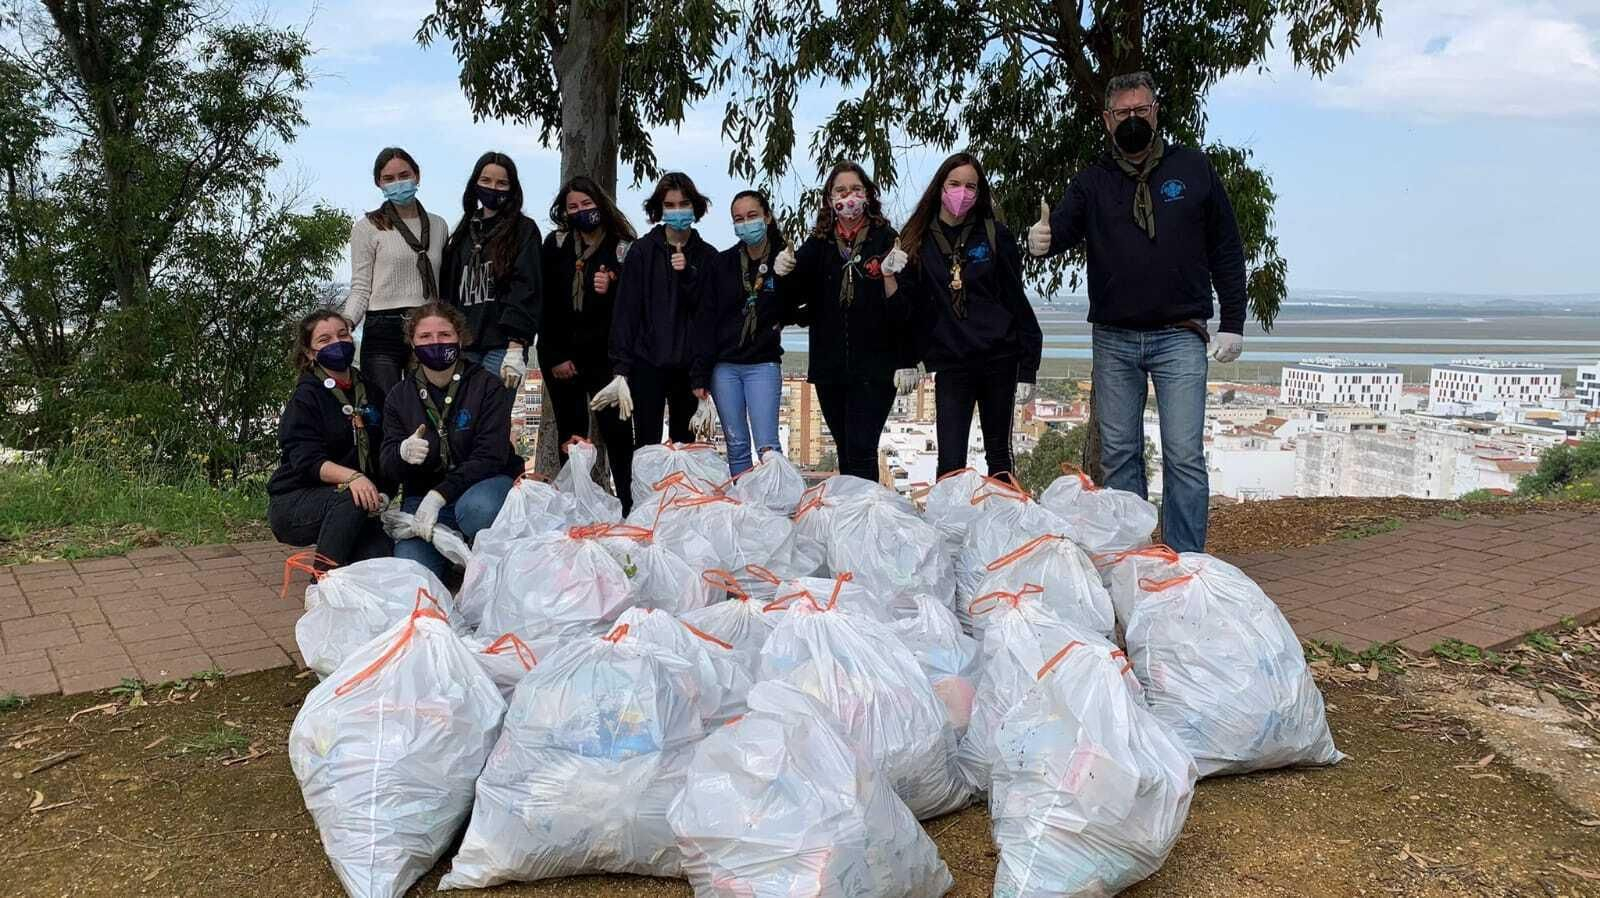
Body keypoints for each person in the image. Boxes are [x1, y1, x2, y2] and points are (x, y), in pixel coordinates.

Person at [1027, 71, 1247, 553]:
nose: (1132, 119)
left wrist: (1233, 322)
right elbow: (1060, 229)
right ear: (1107, 120)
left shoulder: (1194, 169)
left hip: (1181, 335)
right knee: (1121, 455)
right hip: (1115, 338)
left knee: (1184, 455)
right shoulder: (1091, 182)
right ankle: (1132, 557)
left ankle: (1186, 562)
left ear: (1156, 111)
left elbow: (1227, 248)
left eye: (1140, 110)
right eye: (1122, 112)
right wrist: (1041, 240)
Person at [899, 151, 1042, 478]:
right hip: (952, 364)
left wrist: (1027, 369)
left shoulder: (994, 235)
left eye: (970, 187)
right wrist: (905, 357)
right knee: (950, 461)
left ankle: (1002, 523)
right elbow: (909, 311)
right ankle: (948, 528)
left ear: (979, 194)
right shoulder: (918, 240)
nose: (961, 193)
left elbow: (1016, 303)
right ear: (940, 187)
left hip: (999, 360)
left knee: (1000, 459)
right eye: (954, 184)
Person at [774, 161, 916, 483]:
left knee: (863, 448)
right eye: (841, 191)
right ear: (829, 200)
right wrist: (782, 274)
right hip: (830, 370)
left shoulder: (887, 241)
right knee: (845, 450)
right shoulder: (818, 245)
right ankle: (853, 518)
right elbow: (790, 306)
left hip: (876, 368)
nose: (848, 197)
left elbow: (906, 310)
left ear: (867, 195)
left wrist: (907, 359)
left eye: (855, 189)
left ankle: (865, 519)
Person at [380, 302, 522, 578]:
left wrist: (440, 494)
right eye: (425, 337)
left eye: (444, 335)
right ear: (412, 342)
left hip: (481, 490)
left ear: (460, 337)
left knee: (478, 510)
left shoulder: (487, 386)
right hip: (422, 501)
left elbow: (491, 456)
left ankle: (485, 554)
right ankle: (449, 555)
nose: (436, 342)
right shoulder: (399, 396)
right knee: (414, 572)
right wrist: (401, 452)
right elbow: (387, 460)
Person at [595, 171, 718, 453]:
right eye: (670, 205)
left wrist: (700, 375)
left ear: (695, 207)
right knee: (647, 446)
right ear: (659, 209)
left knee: (684, 448)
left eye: (684, 204)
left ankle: (679, 498)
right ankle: (645, 498)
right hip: (647, 364)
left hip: (688, 368)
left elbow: (707, 317)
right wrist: (621, 369)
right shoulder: (641, 252)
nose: (678, 211)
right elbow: (626, 312)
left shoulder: (708, 257)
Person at [267, 310, 394, 568]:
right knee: (349, 497)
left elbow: (384, 449)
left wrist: (384, 493)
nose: (337, 343)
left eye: (343, 334)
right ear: (310, 353)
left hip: (359, 503)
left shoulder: (370, 390)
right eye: (324, 340)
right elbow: (306, 460)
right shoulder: (306, 397)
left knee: (381, 560)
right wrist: (354, 478)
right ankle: (321, 581)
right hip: (297, 501)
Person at [538, 176, 638, 503]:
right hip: (563, 353)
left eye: (587, 204)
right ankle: (576, 501)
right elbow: (545, 303)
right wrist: (554, 356)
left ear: (601, 204)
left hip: (606, 357)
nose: (581, 212)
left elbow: (633, 306)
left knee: (618, 434)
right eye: (573, 207)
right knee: (572, 435)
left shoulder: (622, 246)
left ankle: (626, 500)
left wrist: (613, 285)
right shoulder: (556, 244)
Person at [692, 189, 792, 476]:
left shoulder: (784, 260)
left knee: (768, 447)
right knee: (735, 445)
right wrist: (699, 376)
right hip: (725, 367)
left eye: (752, 216)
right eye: (738, 219)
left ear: (767, 217)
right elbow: (707, 321)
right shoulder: (722, 264)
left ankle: (774, 506)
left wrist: (786, 278)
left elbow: (796, 308)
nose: (746, 224)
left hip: (762, 364)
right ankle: (745, 505)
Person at [342, 147, 449, 399]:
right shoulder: (367, 227)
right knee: (384, 405)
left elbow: (444, 279)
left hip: (426, 323)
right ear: (379, 183)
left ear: (417, 176)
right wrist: (346, 322)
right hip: (382, 325)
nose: (398, 183)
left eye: (404, 175)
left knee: (427, 403)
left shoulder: (438, 225)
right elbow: (360, 285)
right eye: (389, 179)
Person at [440, 151, 543, 393]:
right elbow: (449, 291)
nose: (493, 188)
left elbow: (527, 286)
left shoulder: (523, 230)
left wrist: (516, 346)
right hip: (464, 344)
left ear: (512, 188)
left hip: (502, 345)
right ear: (475, 183)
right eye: (486, 181)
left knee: (492, 414)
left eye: (501, 183)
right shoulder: (464, 231)